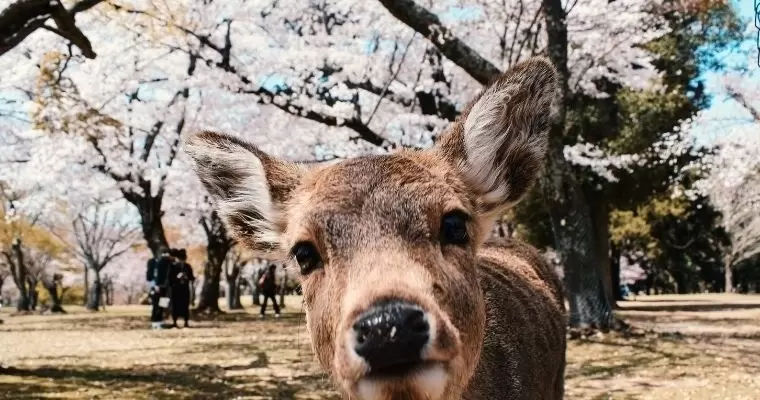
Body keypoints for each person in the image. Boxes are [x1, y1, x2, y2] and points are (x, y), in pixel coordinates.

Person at [146, 247, 172, 330]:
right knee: (156, 305)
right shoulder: (152, 262)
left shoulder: (167, 262)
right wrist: (154, 285)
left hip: (165, 287)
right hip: (156, 287)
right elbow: (149, 276)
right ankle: (154, 323)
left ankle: (160, 321)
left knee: (162, 305)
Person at [169, 248, 195, 328]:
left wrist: (187, 277)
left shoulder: (187, 266)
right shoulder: (172, 267)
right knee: (175, 305)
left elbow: (192, 277)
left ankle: (186, 322)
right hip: (175, 289)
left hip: (185, 288)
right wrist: (177, 277)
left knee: (185, 306)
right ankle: (174, 322)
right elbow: (169, 278)